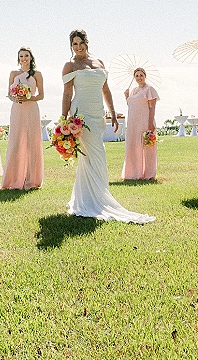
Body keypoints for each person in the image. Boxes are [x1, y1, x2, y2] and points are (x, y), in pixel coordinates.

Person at [62, 30, 155, 223]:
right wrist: (64, 118)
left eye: (81, 43)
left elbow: (106, 90)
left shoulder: (99, 63)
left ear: (87, 43)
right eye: (74, 45)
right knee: (92, 156)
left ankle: (87, 197)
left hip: (98, 115)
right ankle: (94, 200)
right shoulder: (70, 65)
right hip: (81, 115)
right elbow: (66, 94)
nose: (78, 47)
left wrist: (112, 113)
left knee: (95, 156)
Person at [0, 47, 44, 190]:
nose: (24, 58)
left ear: (31, 57)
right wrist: (15, 98)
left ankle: (32, 180)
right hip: (17, 110)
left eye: (26, 55)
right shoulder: (13, 73)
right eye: (21, 56)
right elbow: (9, 95)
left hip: (31, 110)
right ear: (18, 59)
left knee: (32, 142)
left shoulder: (37, 74)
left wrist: (29, 97)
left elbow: (41, 95)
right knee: (16, 141)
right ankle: (14, 179)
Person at [121, 68, 159, 180]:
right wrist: (126, 97)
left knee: (147, 146)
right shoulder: (133, 91)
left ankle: (149, 174)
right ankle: (133, 172)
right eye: (137, 76)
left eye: (141, 75)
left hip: (144, 121)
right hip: (133, 123)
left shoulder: (149, 89)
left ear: (145, 76)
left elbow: (152, 107)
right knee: (133, 146)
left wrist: (150, 123)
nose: (139, 77)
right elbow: (132, 106)